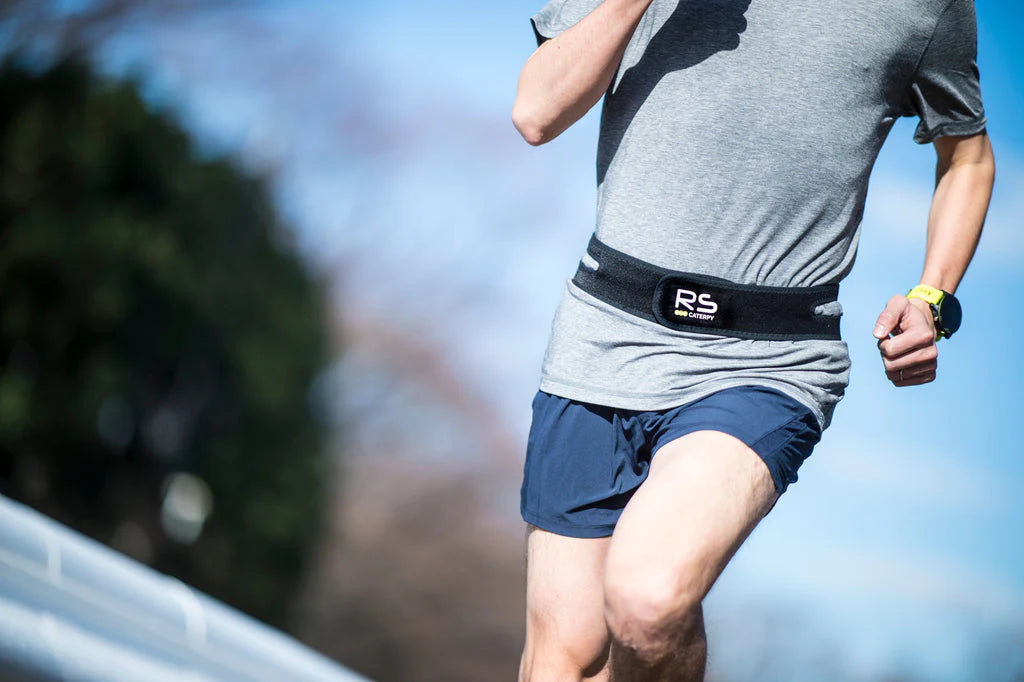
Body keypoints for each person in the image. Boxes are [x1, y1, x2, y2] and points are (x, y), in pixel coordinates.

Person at [510, 0, 995, 680]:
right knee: (563, 657)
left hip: (767, 360)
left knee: (648, 602)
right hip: (601, 334)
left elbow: (968, 157)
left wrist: (932, 297)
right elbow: (536, 111)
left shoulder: (926, 8)